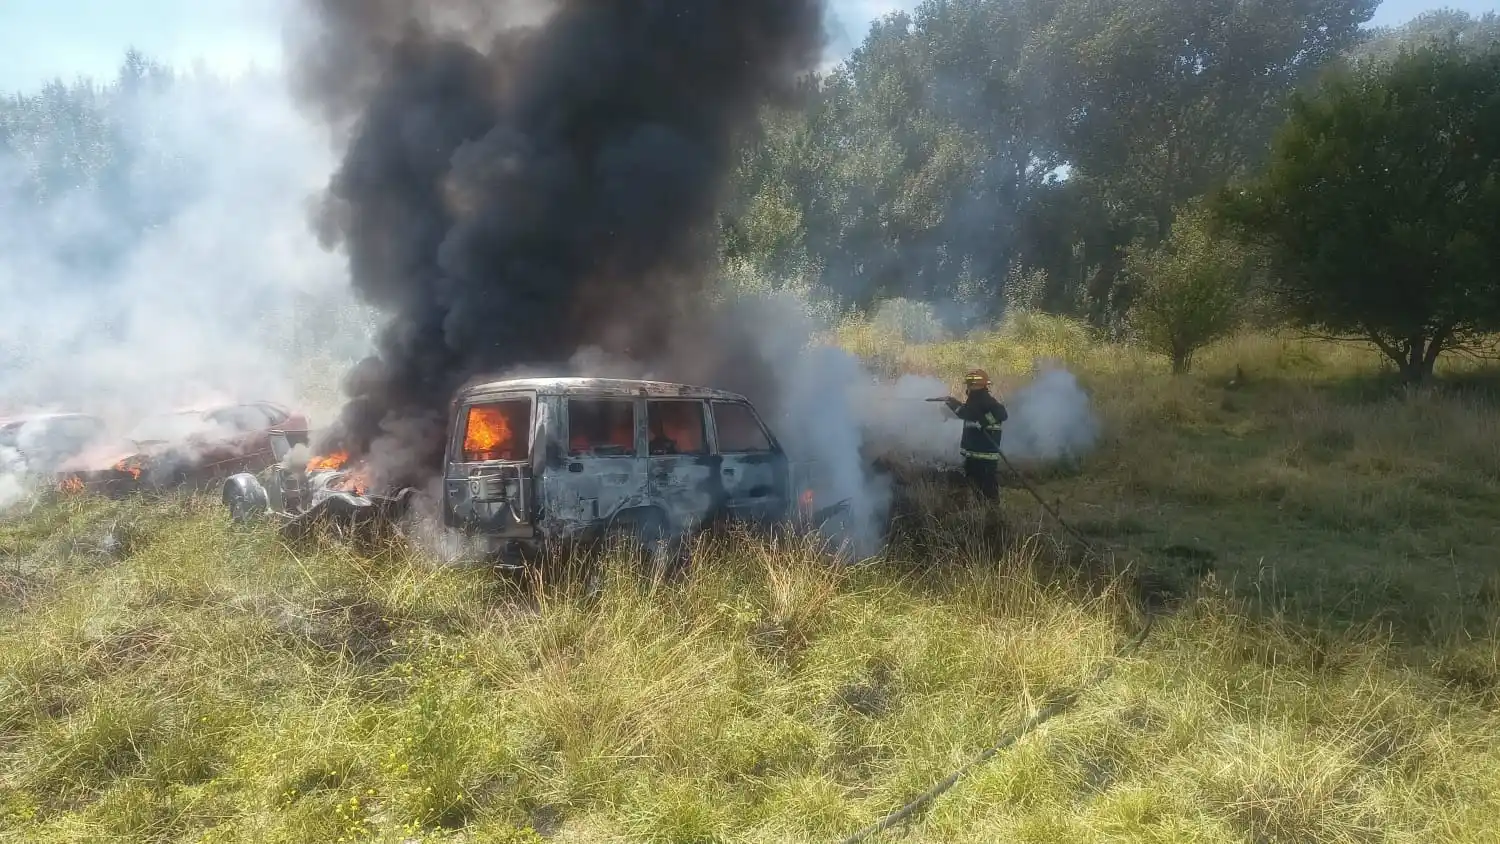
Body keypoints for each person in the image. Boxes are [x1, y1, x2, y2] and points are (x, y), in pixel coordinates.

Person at [942, 368, 1007, 501]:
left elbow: (1002, 413)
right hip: (974, 455)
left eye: (971, 385)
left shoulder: (985, 400)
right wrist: (952, 406)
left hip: (984, 457)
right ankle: (982, 515)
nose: (969, 388)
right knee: (978, 491)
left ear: (977, 386)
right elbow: (968, 414)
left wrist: (983, 421)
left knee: (987, 490)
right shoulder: (976, 401)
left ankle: (993, 516)